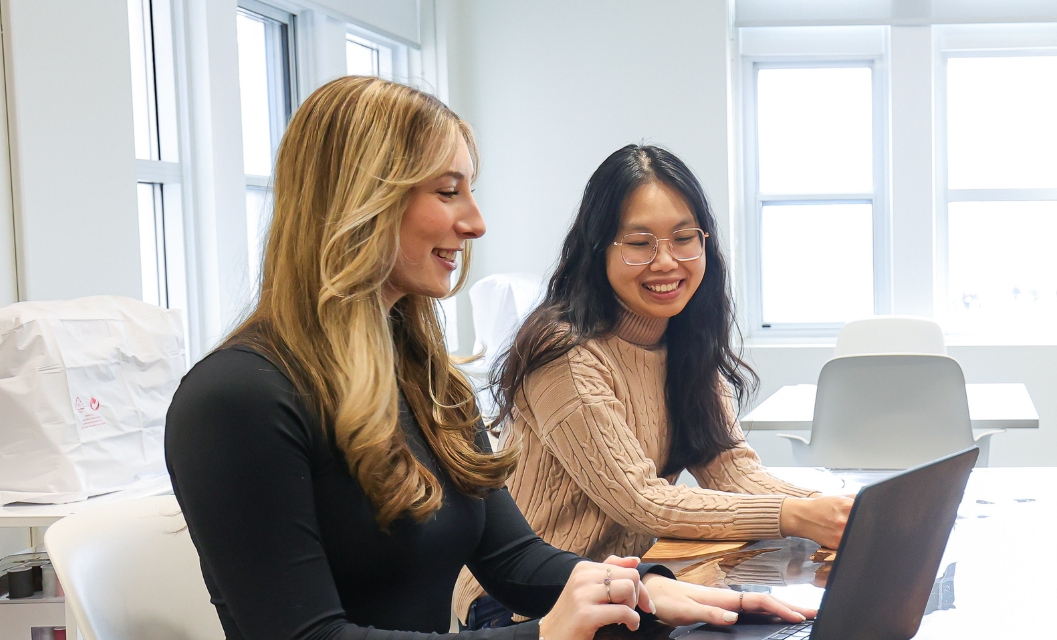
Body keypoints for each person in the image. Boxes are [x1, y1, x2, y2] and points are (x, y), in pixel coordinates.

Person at [166, 76, 813, 639]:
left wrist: (648, 587)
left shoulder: (426, 381)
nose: (475, 222)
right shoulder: (236, 399)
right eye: (449, 191)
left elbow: (512, 558)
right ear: (360, 203)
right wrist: (542, 636)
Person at [455, 144, 852, 627]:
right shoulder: (566, 352)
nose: (666, 261)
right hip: (526, 600)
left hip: (633, 584)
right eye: (639, 244)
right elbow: (643, 501)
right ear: (598, 248)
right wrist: (791, 514)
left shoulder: (686, 339)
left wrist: (834, 513)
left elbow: (733, 472)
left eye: (684, 238)